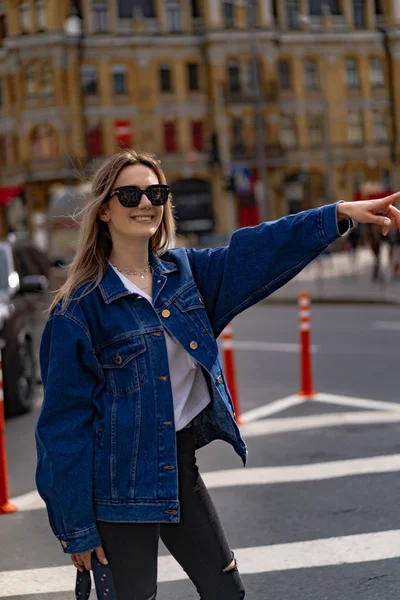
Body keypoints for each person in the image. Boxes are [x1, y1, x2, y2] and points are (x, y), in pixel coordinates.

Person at [35, 149, 400, 600]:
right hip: (118, 486)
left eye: (156, 193)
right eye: (130, 193)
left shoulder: (185, 274)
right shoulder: (78, 311)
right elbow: (62, 428)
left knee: (226, 591)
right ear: (105, 209)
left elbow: (256, 250)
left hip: (178, 465)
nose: (145, 202)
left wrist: (335, 215)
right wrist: (76, 529)